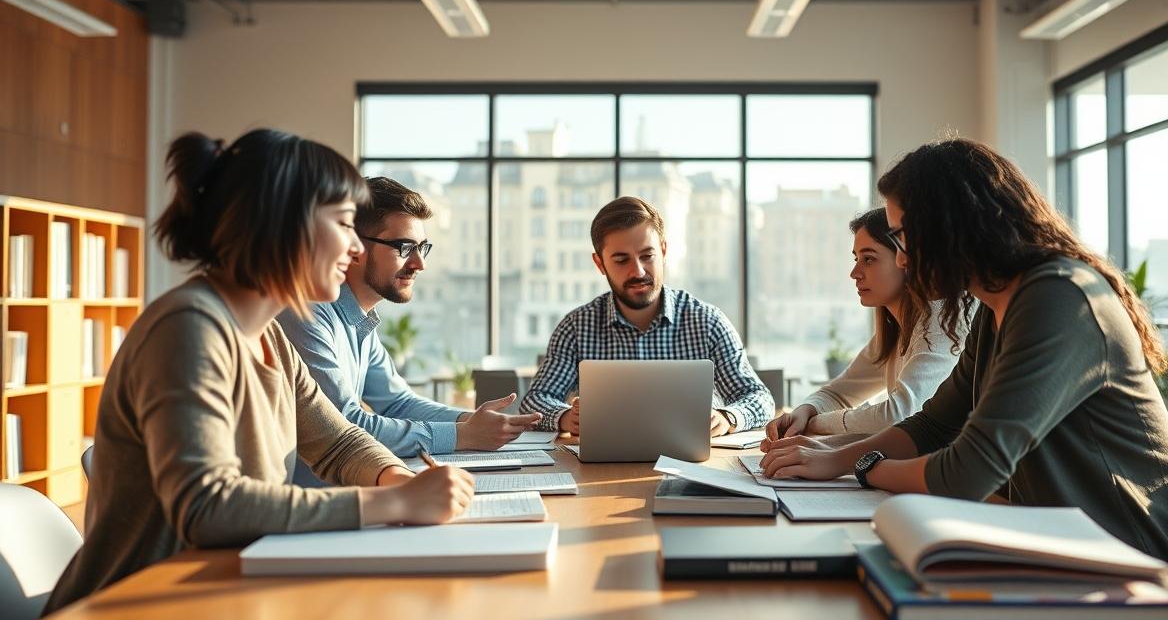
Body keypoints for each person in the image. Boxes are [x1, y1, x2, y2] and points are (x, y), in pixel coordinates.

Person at [44, 130, 476, 612]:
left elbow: (338, 441)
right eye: (343, 225)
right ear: (285, 226)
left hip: (222, 594)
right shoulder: (190, 329)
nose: (355, 249)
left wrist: (399, 480)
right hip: (135, 614)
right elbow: (209, 507)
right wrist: (394, 504)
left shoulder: (268, 334)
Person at [760, 138, 1168, 579]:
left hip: (1139, 563)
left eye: (903, 238)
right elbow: (934, 425)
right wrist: (833, 457)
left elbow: (967, 471)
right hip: (1064, 545)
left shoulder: (1059, 298)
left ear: (950, 226)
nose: (901, 262)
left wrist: (863, 468)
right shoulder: (998, 305)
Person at [278, 176, 539, 460]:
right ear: (353, 247)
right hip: (319, 499)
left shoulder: (361, 323)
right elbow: (345, 425)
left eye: (422, 247)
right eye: (404, 248)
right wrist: (463, 435)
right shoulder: (309, 314)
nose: (419, 264)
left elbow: (399, 402)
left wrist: (471, 420)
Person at [518, 196, 773, 435]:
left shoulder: (708, 321)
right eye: (621, 260)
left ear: (663, 251)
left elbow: (758, 398)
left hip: (696, 467)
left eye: (647, 255)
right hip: (602, 472)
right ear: (600, 264)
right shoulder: (576, 327)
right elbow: (534, 400)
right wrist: (565, 418)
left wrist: (727, 417)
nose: (638, 271)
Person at [765, 208, 961, 438]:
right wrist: (805, 411)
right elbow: (839, 393)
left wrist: (814, 425)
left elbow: (900, 415)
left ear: (905, 260)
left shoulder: (940, 323)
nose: (854, 273)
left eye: (869, 259)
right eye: (856, 258)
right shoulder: (893, 332)